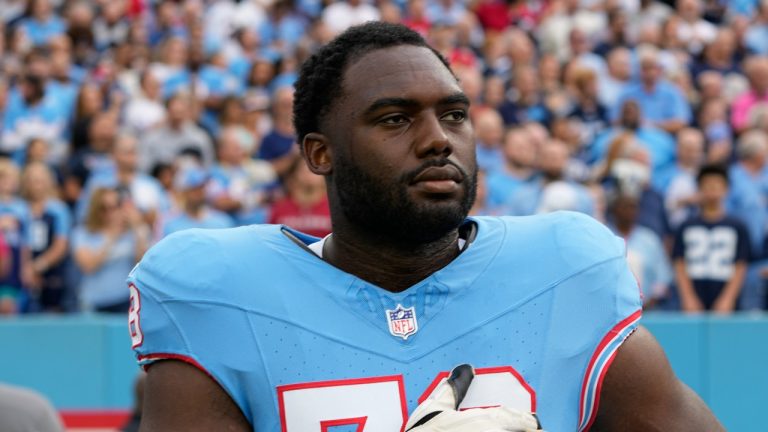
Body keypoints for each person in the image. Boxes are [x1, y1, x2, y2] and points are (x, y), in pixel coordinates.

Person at [131, 22, 723, 431]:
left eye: (454, 114)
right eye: (395, 119)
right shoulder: (221, 291)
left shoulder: (563, 271)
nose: (438, 138)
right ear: (319, 155)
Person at [673, 164, 750, 313]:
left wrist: (728, 298)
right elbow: (679, 262)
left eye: (717, 185)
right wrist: (688, 297)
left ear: (726, 189)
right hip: (695, 293)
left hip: (724, 294)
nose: (712, 190)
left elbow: (740, 265)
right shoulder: (686, 226)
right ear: (699, 189)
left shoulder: (738, 226)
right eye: (707, 185)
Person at [73, 187, 149, 312]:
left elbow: (142, 263)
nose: (112, 212)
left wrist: (137, 228)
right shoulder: (82, 234)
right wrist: (112, 237)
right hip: (94, 302)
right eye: (105, 208)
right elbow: (88, 266)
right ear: (96, 210)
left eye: (116, 206)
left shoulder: (130, 233)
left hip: (126, 299)